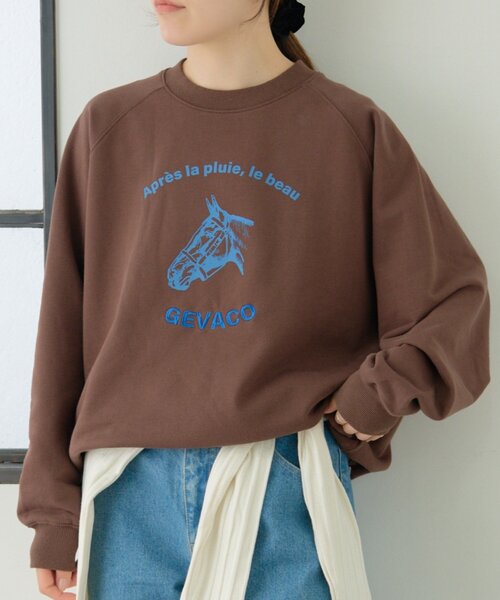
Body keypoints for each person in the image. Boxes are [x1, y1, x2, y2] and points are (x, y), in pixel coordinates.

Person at [16, 0, 491, 598]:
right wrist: (54, 512)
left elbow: (454, 305)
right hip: (124, 498)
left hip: (283, 486)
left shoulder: (349, 127)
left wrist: (371, 401)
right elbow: (62, 330)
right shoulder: (110, 126)